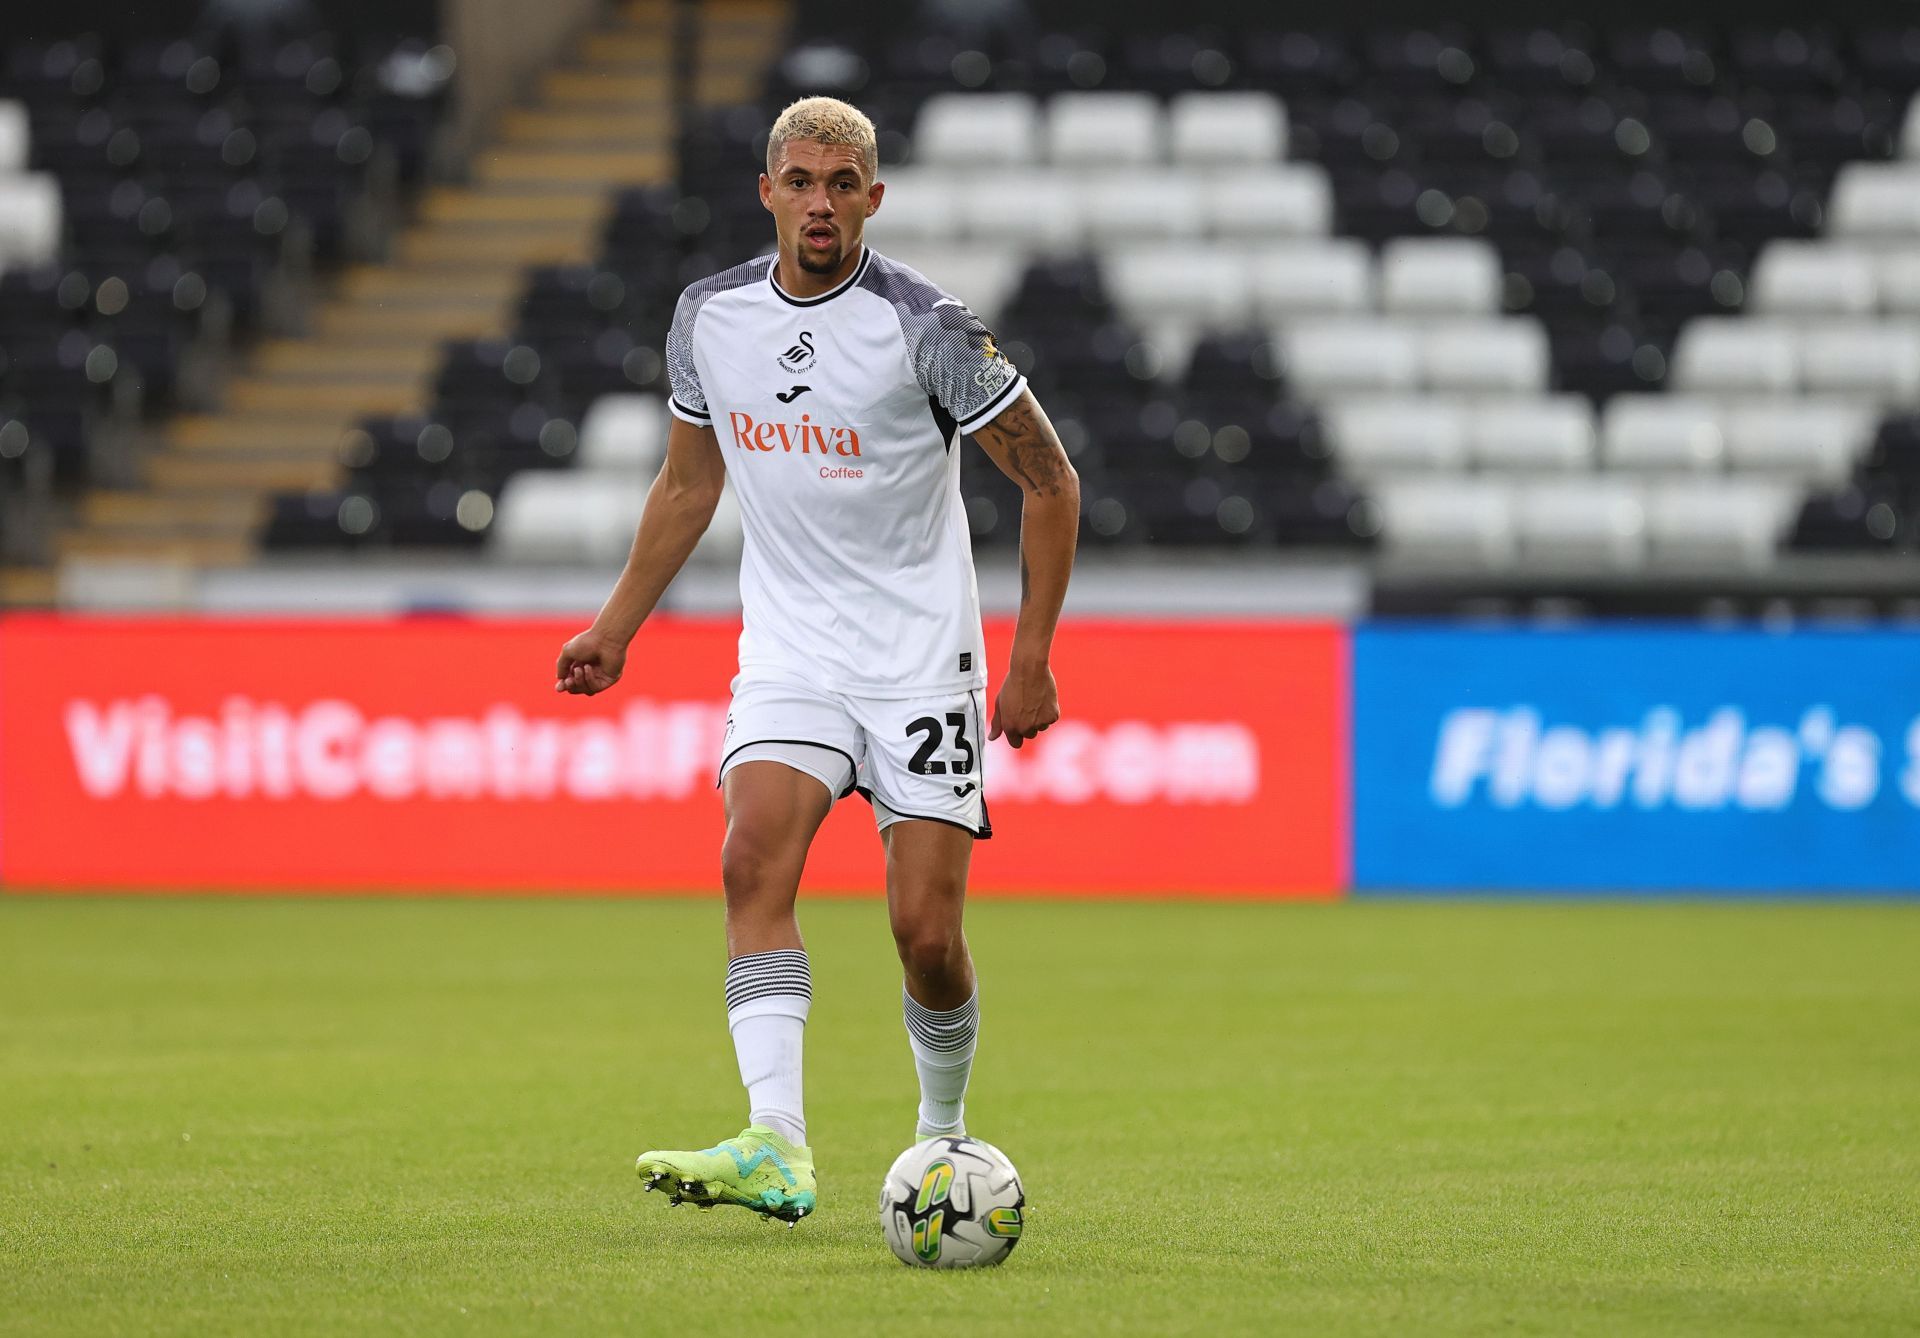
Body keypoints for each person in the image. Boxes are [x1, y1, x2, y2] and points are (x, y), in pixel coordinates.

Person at [553, 96, 1079, 1224]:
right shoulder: (709, 317)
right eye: (801, 180)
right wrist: (615, 625)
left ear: (874, 198)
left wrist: (1029, 660)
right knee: (752, 862)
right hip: (791, 652)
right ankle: (776, 1143)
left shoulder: (928, 326)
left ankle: (943, 1137)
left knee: (925, 935)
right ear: (768, 193)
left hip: (922, 660)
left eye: (843, 184)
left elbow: (1050, 481)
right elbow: (689, 484)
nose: (822, 202)